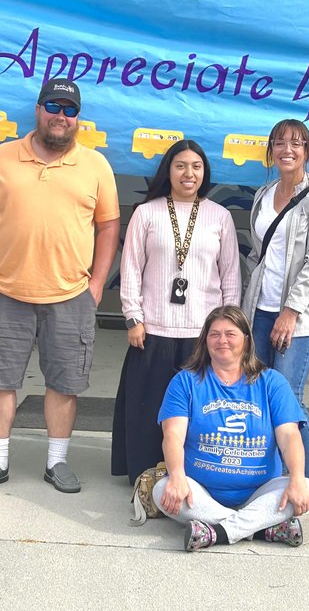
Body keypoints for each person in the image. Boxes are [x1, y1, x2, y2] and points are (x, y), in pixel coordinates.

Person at [0, 78, 120, 494]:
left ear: (78, 119)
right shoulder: (2, 157)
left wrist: (97, 283)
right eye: (53, 106)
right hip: (6, 293)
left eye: (70, 110)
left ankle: (57, 463)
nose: (61, 116)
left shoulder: (96, 165)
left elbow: (108, 226)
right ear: (37, 109)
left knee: (65, 383)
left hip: (71, 296)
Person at [111, 140, 241, 485]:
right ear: (168, 170)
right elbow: (132, 268)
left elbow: (230, 275)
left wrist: (228, 328)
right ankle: (143, 472)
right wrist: (133, 318)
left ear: (205, 173)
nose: (189, 173)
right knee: (148, 406)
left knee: (199, 411)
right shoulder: (147, 212)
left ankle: (193, 471)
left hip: (203, 333)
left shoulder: (219, 216)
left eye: (196, 167)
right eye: (181, 165)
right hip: (154, 328)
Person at [153, 306, 309, 552]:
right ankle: (263, 527)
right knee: (162, 491)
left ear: (246, 339)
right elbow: (173, 436)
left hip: (260, 491)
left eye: (230, 334)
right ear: (205, 341)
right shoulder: (185, 381)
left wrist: (295, 479)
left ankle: (216, 532)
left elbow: (289, 437)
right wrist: (176, 476)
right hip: (201, 490)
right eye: (214, 334)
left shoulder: (272, 382)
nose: (222, 340)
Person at [242, 118, 309, 484]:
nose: (287, 149)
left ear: (306, 151)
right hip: (260, 312)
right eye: (280, 143)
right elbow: (256, 256)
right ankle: (273, 481)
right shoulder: (263, 195)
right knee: (262, 399)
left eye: (296, 143)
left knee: (289, 399)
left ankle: (305, 485)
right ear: (270, 150)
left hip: (297, 318)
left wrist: (291, 311)